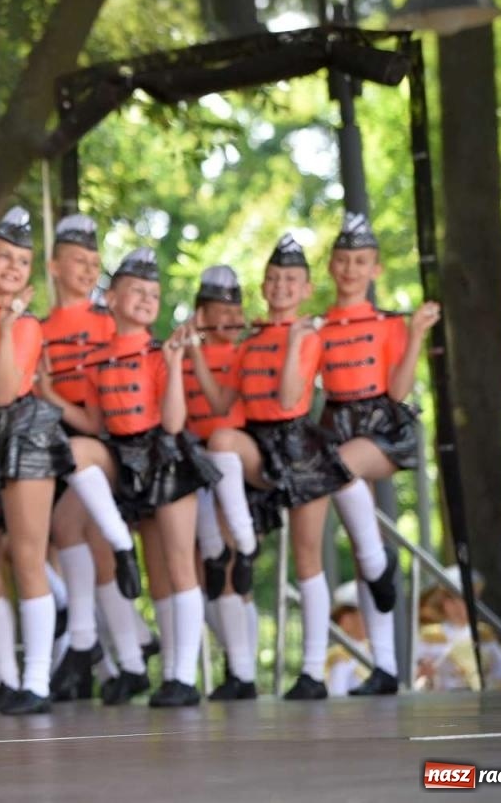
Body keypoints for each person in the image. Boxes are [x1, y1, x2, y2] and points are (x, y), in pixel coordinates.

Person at [0, 207, 137, 716]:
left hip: (22, 432)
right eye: (4, 258)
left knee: (30, 558)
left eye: (22, 261)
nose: (13, 267)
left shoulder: (26, 325)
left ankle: (35, 682)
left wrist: (6, 329)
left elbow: (1, 391)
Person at [197, 234, 353, 701]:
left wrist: (292, 344)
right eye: (273, 278)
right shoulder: (249, 341)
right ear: (263, 286)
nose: (281, 286)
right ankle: (244, 545)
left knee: (307, 557)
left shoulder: (307, 335)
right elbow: (222, 402)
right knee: (221, 440)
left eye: (291, 279)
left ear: (306, 288)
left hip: (298, 443)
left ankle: (312, 672)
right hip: (258, 444)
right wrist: (189, 355)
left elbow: (289, 399)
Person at [67, 248, 216, 707]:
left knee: (176, 566)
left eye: (154, 293)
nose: (147, 299)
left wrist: (172, 367)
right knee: (74, 453)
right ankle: (119, 543)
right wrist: (52, 397)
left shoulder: (160, 352)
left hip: (165, 455)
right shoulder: (96, 360)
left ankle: (181, 675)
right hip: (122, 459)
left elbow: (173, 423)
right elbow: (94, 425)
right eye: (137, 291)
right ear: (111, 299)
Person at [313, 213, 441, 696]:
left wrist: (416, 335)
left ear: (376, 270)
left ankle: (379, 560)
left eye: (360, 261)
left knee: (342, 469)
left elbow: (399, 387)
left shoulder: (389, 322)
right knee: (355, 534)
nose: (350, 269)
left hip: (380, 423)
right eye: (343, 260)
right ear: (331, 266)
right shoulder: (319, 324)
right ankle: (385, 666)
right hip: (336, 419)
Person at [38, 213, 142, 704]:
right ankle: (127, 657)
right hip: (63, 447)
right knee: (70, 535)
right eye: (78, 261)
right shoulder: (38, 328)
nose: (86, 269)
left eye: (94, 262)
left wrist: (53, 398)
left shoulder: (108, 320)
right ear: (54, 265)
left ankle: (95, 642)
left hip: (106, 442)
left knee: (88, 539)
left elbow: (105, 412)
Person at [181, 266, 260, 701]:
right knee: (207, 574)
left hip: (233, 473)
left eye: (236, 308)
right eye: (219, 309)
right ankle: (238, 662)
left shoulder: (246, 352)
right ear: (201, 313)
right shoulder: (179, 350)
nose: (231, 317)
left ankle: (243, 673)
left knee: (231, 568)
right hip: (195, 470)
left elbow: (222, 403)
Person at [326, 583, 370, 697]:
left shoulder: (371, 650)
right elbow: (337, 697)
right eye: (364, 613)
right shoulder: (341, 658)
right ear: (346, 620)